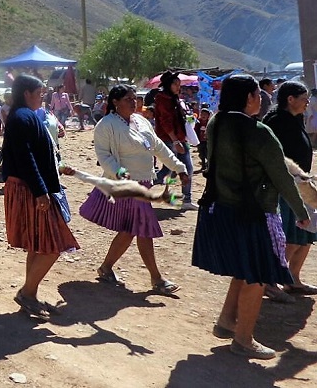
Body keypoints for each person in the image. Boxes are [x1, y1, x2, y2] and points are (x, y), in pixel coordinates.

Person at [192, 74, 309, 359]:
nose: (262, 99)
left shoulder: (216, 122)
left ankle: (226, 321)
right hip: (254, 212)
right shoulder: (258, 132)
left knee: (244, 270)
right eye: (258, 94)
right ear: (249, 98)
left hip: (222, 209)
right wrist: (302, 212)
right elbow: (281, 177)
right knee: (256, 275)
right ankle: (243, 339)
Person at [80, 84, 186, 295]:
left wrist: (179, 167)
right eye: (128, 98)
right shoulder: (106, 125)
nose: (133, 102)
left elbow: (158, 147)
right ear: (115, 102)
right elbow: (104, 156)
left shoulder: (141, 121)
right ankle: (156, 278)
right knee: (143, 228)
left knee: (130, 230)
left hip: (145, 182)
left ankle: (106, 267)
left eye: (135, 98)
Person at [2, 74, 79, 320]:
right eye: (40, 92)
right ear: (27, 93)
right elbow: (26, 158)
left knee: (38, 244)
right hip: (30, 190)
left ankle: (30, 294)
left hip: (30, 187)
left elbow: (37, 154)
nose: (43, 96)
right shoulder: (23, 117)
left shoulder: (23, 115)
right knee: (52, 245)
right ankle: (27, 293)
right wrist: (40, 191)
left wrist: (56, 168)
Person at [263, 81, 315, 297]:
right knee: (290, 237)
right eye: (303, 99)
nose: (307, 103)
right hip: (285, 187)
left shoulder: (296, 119)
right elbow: (275, 157)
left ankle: (293, 279)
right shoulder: (276, 121)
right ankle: (271, 280)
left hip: (302, 184)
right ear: (290, 99)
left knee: (307, 234)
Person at [154, 71, 197, 210]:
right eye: (176, 84)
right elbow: (165, 122)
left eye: (179, 84)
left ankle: (187, 199)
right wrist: (175, 141)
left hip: (180, 137)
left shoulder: (175, 98)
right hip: (169, 138)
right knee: (168, 169)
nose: (179, 87)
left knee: (186, 167)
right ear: (168, 85)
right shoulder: (162, 99)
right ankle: (140, 186)